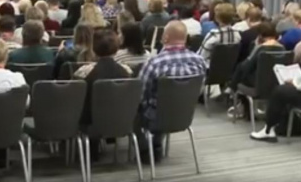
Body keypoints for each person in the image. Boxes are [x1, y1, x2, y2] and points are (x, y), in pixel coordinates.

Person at [138, 21, 207, 159]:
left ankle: (147, 149)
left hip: (155, 118)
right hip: (185, 116)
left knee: (135, 109)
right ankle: (156, 143)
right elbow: (200, 89)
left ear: (165, 38)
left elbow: (140, 92)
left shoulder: (154, 63)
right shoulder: (199, 61)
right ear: (185, 38)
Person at [228, 21, 285, 116]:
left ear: (260, 35)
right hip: (276, 84)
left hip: (257, 85)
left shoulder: (260, 49)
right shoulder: (282, 48)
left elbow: (246, 67)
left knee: (240, 68)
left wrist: (255, 47)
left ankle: (232, 91)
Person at [76, 29, 132, 125]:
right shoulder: (127, 71)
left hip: (91, 122)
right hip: (121, 121)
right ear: (116, 48)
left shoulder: (83, 72)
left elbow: (75, 98)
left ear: (93, 48)